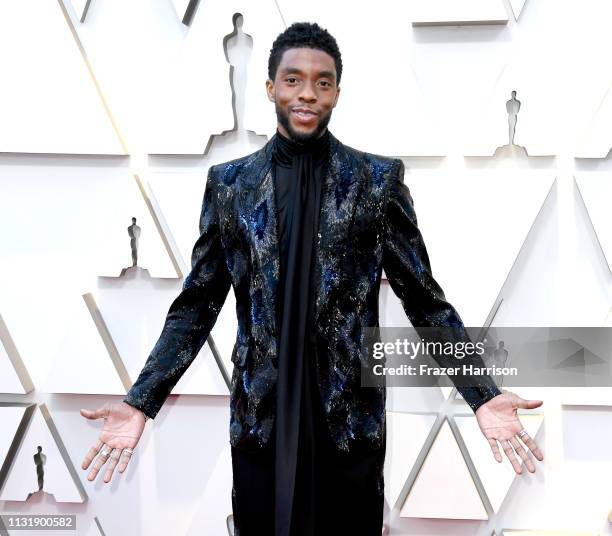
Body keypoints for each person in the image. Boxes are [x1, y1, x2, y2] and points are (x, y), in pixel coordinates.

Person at [80, 22, 544, 536]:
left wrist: (482, 392)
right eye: (294, 79)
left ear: (337, 93)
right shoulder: (230, 186)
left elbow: (425, 302)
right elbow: (196, 307)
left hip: (347, 426)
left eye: (323, 82)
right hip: (262, 422)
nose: (307, 93)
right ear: (271, 88)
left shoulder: (376, 181)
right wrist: (140, 400)